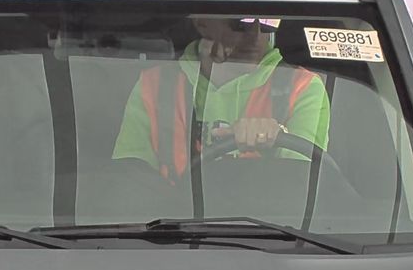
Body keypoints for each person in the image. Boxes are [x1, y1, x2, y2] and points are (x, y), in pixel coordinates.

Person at [112, 16, 331, 181]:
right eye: (241, 22)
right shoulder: (155, 84)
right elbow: (130, 179)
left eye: (267, 21)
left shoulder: (301, 87)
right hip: (167, 232)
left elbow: (299, 186)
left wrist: (277, 137)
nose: (256, 35)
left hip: (266, 235)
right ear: (202, 23)